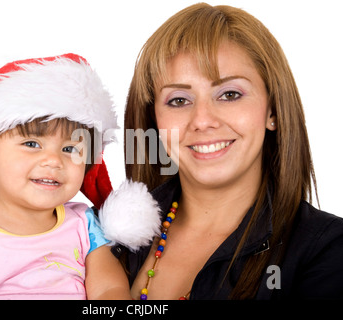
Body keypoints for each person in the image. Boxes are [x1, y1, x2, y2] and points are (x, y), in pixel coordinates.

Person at [118, 3, 343, 299]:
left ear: (272, 111)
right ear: (154, 121)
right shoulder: (96, 235)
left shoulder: (328, 251)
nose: (202, 121)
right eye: (179, 100)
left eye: (230, 94)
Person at [0, 53, 157, 300]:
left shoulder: (84, 224)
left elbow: (110, 289)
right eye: (32, 143)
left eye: (70, 149)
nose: (54, 161)